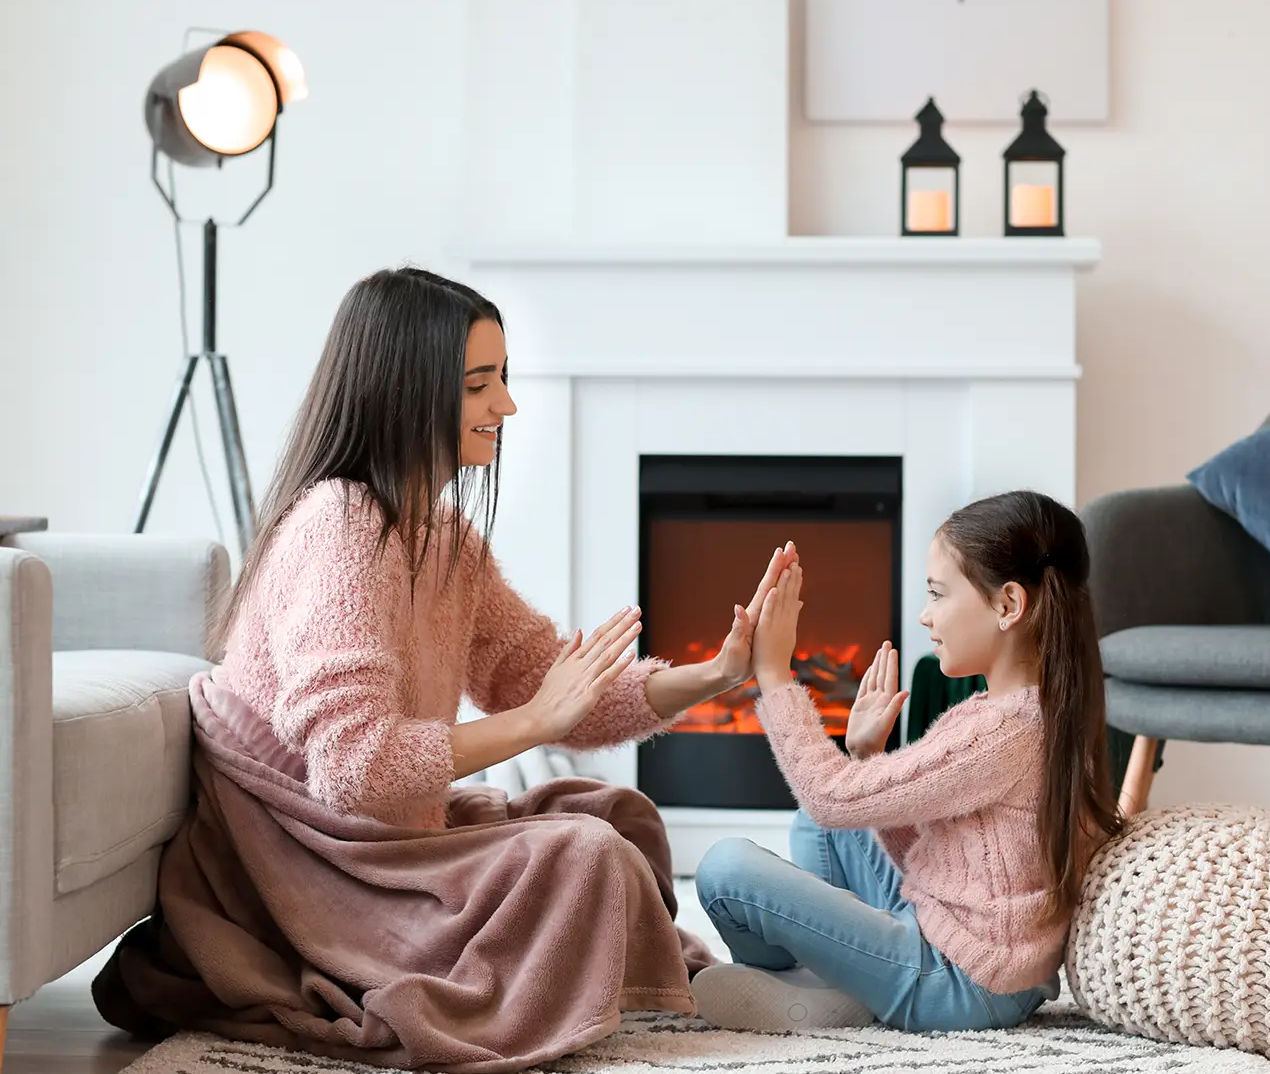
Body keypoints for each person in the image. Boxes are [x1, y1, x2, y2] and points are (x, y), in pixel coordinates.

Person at [93, 266, 795, 1071]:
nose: (507, 406)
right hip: (311, 864)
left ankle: (654, 983)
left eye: (503, 378)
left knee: (615, 816)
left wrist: (717, 673)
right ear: (406, 391)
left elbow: (545, 679)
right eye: (478, 385)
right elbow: (355, 769)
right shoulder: (341, 528)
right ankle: (643, 988)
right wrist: (535, 723)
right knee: (586, 856)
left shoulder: (444, 539)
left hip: (391, 830)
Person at [690, 490, 1124, 1034]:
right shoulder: (1030, 710)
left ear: (1008, 605)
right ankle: (838, 982)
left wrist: (775, 675)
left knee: (725, 870)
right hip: (968, 950)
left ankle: (807, 981)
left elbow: (829, 796)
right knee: (821, 828)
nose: (924, 615)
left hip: (960, 980)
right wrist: (866, 756)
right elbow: (934, 854)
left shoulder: (1003, 730)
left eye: (938, 594)